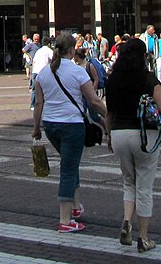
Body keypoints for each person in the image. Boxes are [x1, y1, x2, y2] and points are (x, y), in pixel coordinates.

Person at [31, 33, 107, 233]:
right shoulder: (78, 72)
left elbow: (38, 103)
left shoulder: (43, 74)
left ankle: (75, 207)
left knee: (70, 163)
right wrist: (110, 115)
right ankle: (65, 220)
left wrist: (36, 127)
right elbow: (94, 101)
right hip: (72, 125)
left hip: (50, 126)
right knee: (68, 169)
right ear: (72, 50)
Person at [103, 37, 161, 254]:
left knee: (128, 182)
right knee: (145, 186)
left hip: (119, 133)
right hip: (143, 135)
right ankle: (144, 237)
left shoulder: (112, 79)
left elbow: (108, 112)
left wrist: (109, 136)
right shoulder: (148, 77)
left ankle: (127, 221)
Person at [29, 35, 55, 108]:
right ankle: (46, 104)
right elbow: (54, 60)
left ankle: (32, 105)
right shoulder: (49, 50)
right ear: (49, 44)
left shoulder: (38, 51)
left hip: (35, 71)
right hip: (43, 72)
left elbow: (34, 61)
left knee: (34, 89)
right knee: (47, 89)